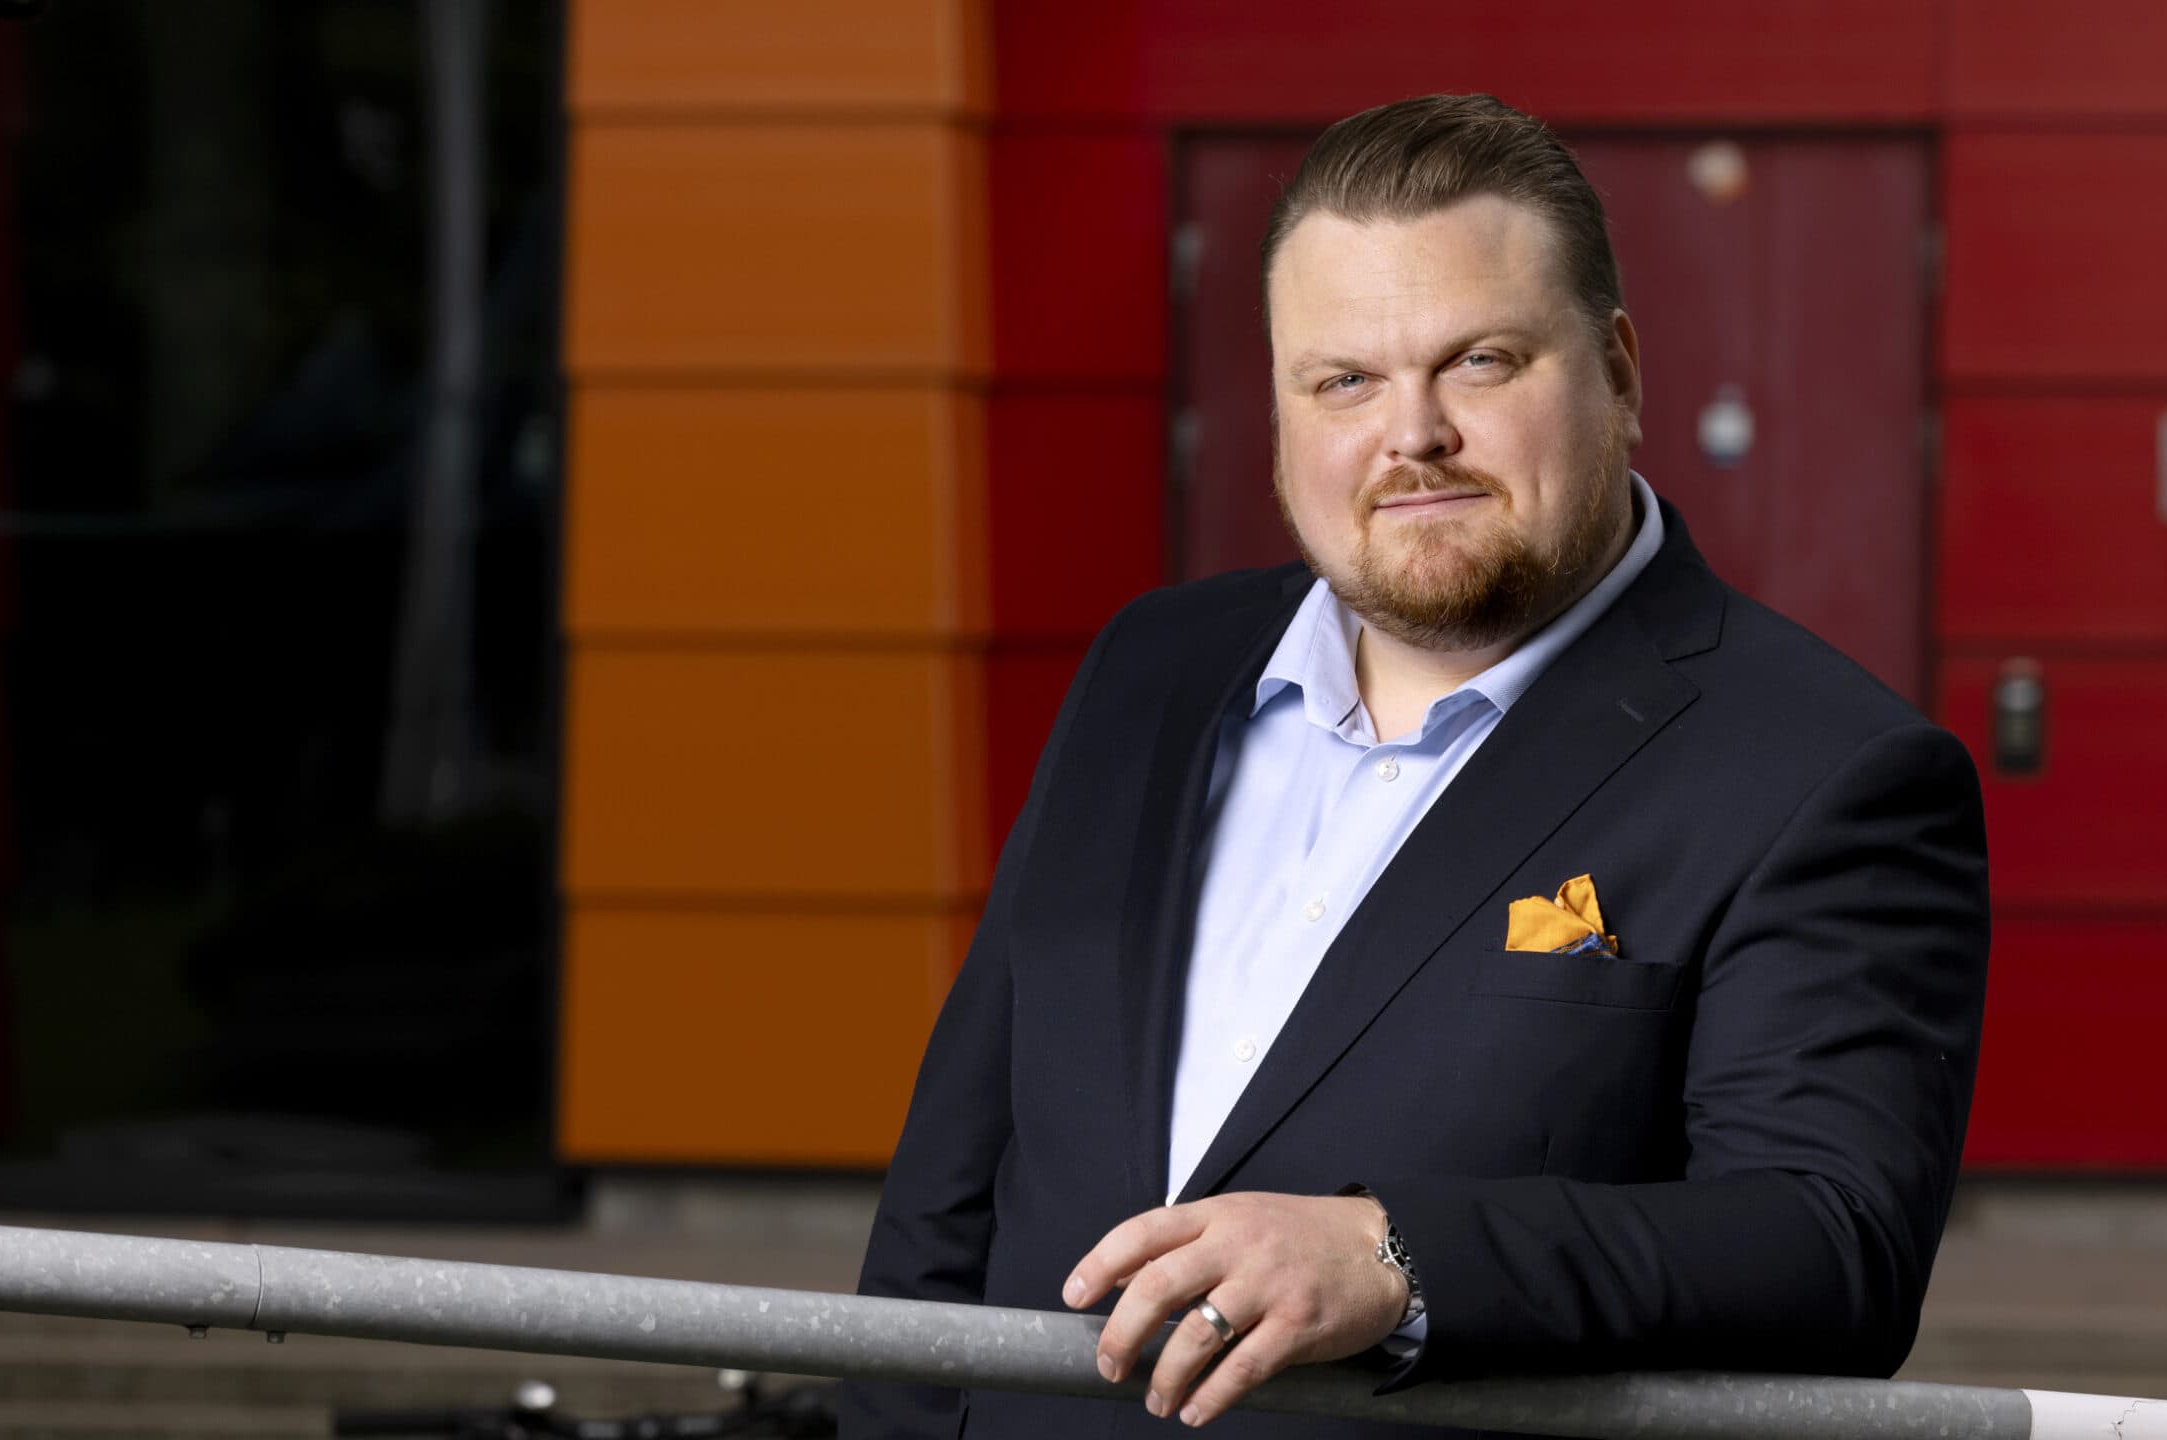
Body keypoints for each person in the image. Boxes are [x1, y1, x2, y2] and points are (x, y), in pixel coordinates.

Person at [837, 93, 1990, 1440]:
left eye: (1481, 362)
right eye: (1345, 382)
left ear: (1619, 372)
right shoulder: (1151, 671)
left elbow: (1830, 1249)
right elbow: (955, 1179)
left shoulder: (1824, 770)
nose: (1414, 434)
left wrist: (1398, 1255)